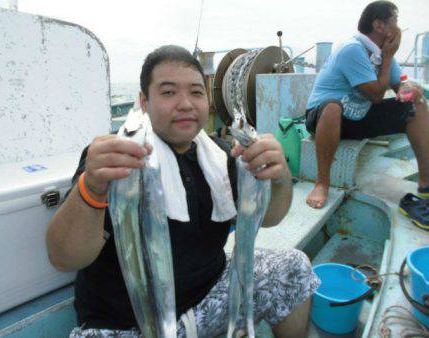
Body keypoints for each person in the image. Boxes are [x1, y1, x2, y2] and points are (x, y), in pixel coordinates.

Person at [46, 45, 319, 338]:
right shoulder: (116, 158)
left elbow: (269, 219)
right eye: (168, 92)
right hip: (128, 324)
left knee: (293, 266)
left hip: (210, 297)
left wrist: (277, 178)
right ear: (143, 101)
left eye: (196, 92)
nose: (186, 103)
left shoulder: (220, 154)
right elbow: (64, 258)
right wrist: (92, 187)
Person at [305, 0, 429, 208]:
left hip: (359, 117)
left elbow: (400, 81)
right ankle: (321, 184)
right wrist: (389, 56)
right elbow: (376, 95)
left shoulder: (381, 54)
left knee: (417, 104)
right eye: (395, 21)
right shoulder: (353, 49)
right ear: (379, 26)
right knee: (333, 107)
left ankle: (426, 184)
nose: (398, 28)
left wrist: (408, 87)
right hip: (322, 118)